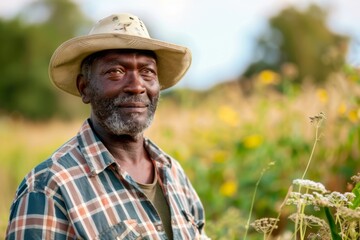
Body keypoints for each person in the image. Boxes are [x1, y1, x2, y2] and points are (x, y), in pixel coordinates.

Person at [6, 13, 207, 240]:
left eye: (147, 72)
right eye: (116, 72)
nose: (136, 86)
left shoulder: (173, 173)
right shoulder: (49, 187)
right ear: (84, 88)